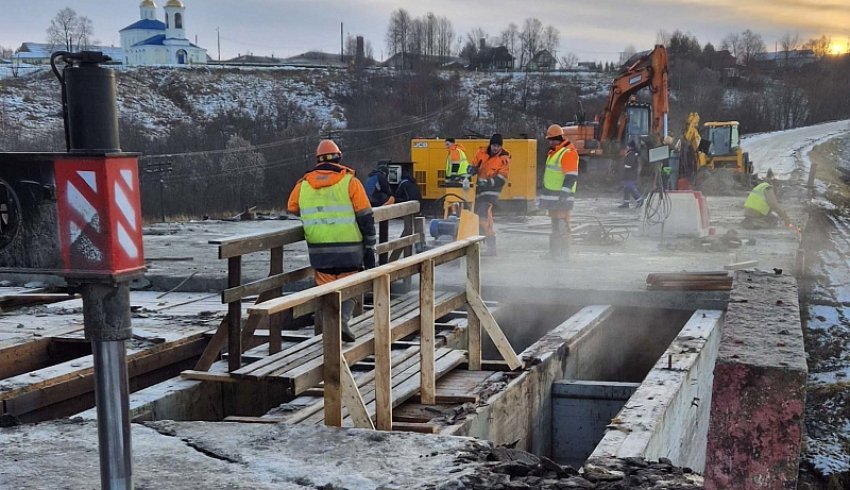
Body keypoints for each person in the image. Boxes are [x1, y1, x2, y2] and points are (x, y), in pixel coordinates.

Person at [287, 139, 377, 342]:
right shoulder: (350, 181)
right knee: (349, 284)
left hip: (319, 249)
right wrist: (370, 245)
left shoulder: (303, 184)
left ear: (318, 160)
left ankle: (329, 331)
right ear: (339, 157)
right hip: (350, 249)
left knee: (326, 287)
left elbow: (292, 207)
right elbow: (365, 216)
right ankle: (343, 322)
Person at [538, 124, 578, 261]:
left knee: (562, 226)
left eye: (552, 139)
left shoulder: (567, 153)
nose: (550, 142)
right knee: (555, 225)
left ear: (558, 138)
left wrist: (564, 194)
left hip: (562, 197)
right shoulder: (555, 152)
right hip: (554, 197)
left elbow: (571, 176)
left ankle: (563, 254)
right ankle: (554, 253)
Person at [472, 133, 510, 255]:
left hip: (491, 192)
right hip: (479, 191)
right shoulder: (481, 153)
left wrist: (488, 183)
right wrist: (471, 169)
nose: (495, 148)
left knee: (484, 216)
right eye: (494, 145)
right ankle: (482, 243)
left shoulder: (503, 159)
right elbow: (474, 165)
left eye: (498, 146)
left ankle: (489, 245)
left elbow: (502, 179)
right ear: (490, 144)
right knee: (477, 216)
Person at [619, 140, 643, 209]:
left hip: (630, 174)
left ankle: (640, 200)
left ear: (630, 147)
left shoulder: (632, 154)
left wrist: (625, 166)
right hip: (629, 174)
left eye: (627, 146)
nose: (626, 147)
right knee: (627, 188)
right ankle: (626, 203)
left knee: (630, 187)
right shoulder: (632, 153)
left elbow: (629, 163)